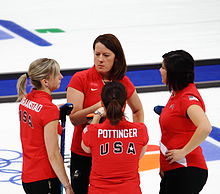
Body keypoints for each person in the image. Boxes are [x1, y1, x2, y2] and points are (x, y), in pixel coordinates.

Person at [67, 33, 144, 194]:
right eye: (97, 54)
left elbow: (137, 110)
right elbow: (74, 118)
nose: (100, 59)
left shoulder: (123, 81)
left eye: (106, 55)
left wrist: (136, 134)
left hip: (113, 154)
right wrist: (100, 106)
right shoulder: (81, 78)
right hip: (84, 153)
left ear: (116, 57)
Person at [158, 50, 212, 194]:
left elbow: (205, 126)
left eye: (163, 68)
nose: (160, 70)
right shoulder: (176, 94)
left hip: (186, 169)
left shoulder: (187, 98)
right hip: (174, 170)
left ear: (173, 73)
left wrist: (183, 152)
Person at [17, 58, 74, 194]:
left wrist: (54, 112)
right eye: (57, 74)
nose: (61, 76)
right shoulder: (48, 109)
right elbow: (53, 154)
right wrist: (67, 185)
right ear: (45, 81)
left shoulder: (27, 100)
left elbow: (37, 124)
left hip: (29, 176)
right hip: (45, 179)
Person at [81, 81, 148, 194]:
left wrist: (97, 116)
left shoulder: (92, 131)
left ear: (102, 103)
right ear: (125, 105)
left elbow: (86, 149)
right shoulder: (140, 130)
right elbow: (139, 156)